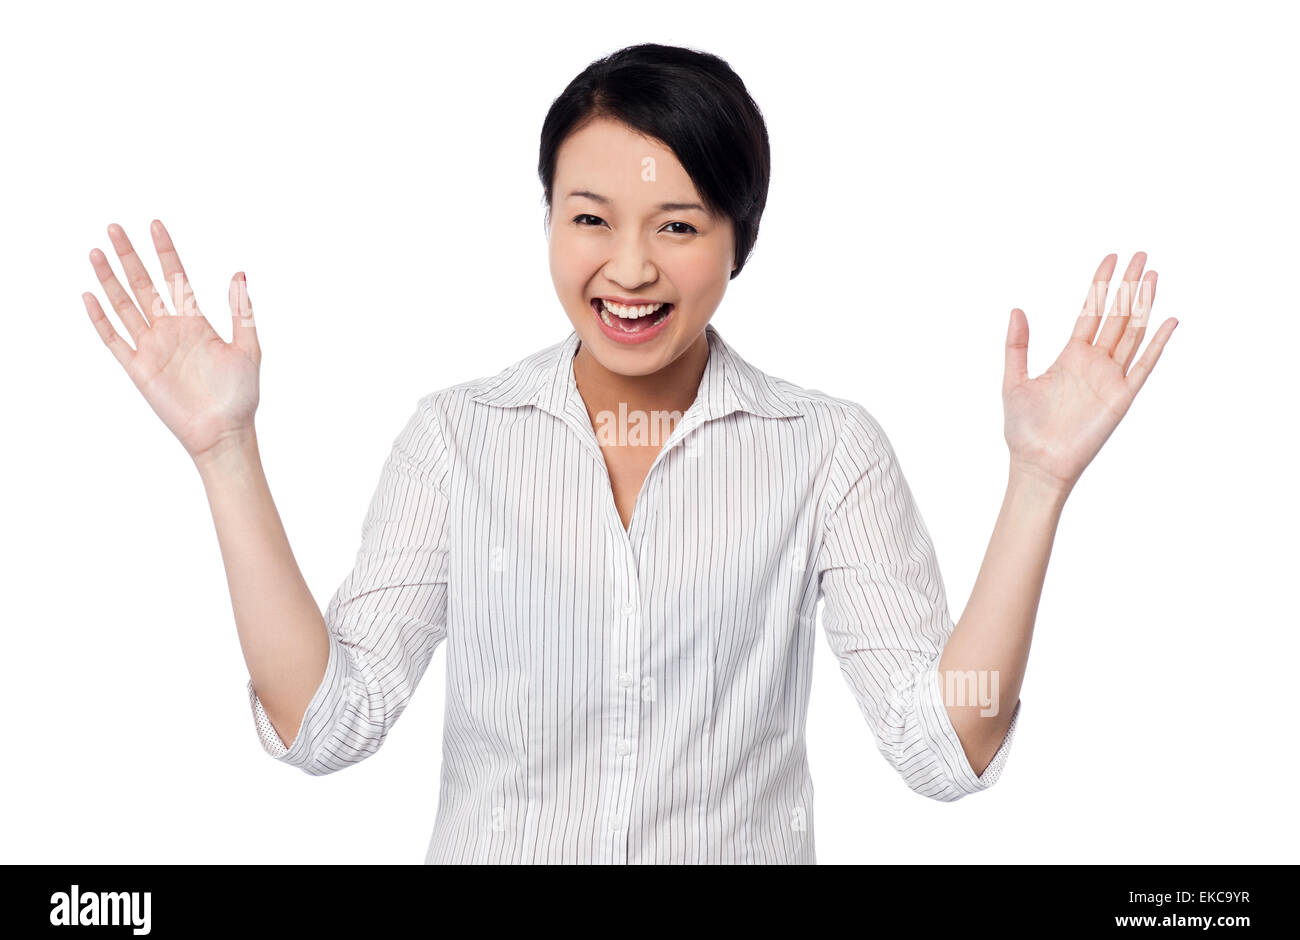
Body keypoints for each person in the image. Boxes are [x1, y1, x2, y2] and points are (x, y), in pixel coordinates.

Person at [81, 43, 1177, 864]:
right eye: (591, 218)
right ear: (549, 221)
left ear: (740, 241)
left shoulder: (825, 453)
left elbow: (940, 748)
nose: (631, 269)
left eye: (681, 225)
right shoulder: (456, 439)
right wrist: (226, 451)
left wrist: (1038, 483)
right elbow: (328, 722)